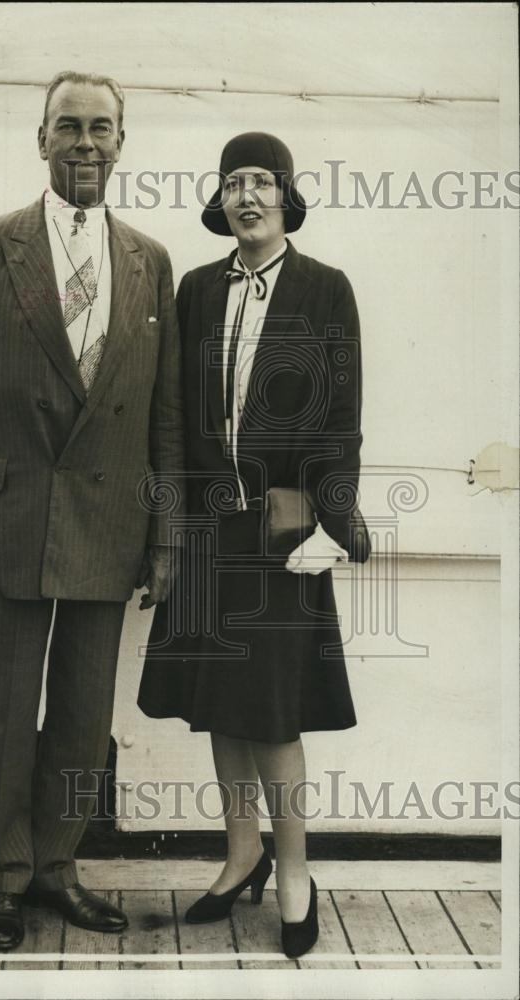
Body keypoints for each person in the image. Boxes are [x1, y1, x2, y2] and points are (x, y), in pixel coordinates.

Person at [0, 70, 184, 952]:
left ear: (122, 143)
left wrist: (166, 537)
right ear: (40, 140)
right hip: (8, 522)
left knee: (82, 715)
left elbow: (166, 418)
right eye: (67, 127)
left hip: (111, 523)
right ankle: (1, 878)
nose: (85, 142)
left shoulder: (150, 262)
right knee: (6, 711)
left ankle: (56, 867)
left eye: (101, 128)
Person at [138, 132, 370, 958]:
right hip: (207, 525)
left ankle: (296, 870)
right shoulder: (198, 290)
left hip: (283, 531)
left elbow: (341, 416)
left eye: (260, 182)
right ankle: (241, 853)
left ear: (285, 196)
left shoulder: (323, 290)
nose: (246, 197)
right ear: (220, 199)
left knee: (271, 714)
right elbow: (170, 418)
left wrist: (331, 527)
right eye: (232, 182)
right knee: (217, 707)